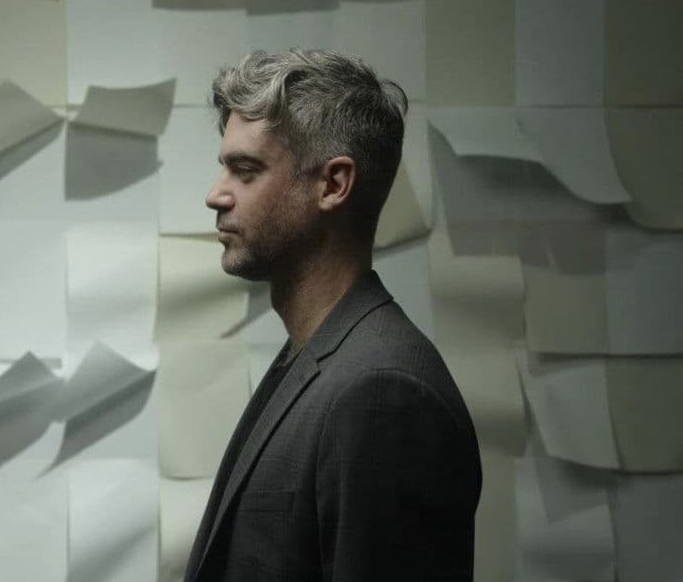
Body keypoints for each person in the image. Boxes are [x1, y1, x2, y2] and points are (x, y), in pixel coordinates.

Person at [184, 50, 482, 581]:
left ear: (333, 184)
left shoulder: (383, 391)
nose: (215, 195)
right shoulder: (318, 358)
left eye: (245, 170)